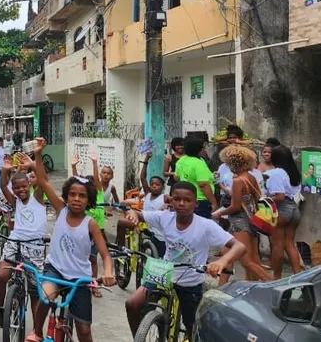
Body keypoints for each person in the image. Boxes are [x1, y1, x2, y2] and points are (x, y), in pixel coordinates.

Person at [124, 182, 245, 340]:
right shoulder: (164, 217)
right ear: (171, 201)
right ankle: (139, 337)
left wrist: (221, 262)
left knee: (192, 325)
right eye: (177, 199)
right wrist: (133, 214)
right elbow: (137, 213)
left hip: (190, 281)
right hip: (163, 273)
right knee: (132, 304)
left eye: (187, 200)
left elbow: (239, 246)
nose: (182, 203)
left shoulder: (205, 226)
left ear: (195, 204)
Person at [30, 138, 114, 342]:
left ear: (89, 200)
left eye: (82, 196)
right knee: (45, 296)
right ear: (66, 197)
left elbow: (105, 253)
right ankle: (37, 332)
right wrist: (38, 154)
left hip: (80, 277)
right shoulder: (60, 209)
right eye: (73, 195)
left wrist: (108, 271)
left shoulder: (90, 223)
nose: (77, 199)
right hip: (55, 269)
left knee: (84, 330)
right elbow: (43, 181)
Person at [0, 155, 47, 329]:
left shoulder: (37, 198)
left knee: (35, 291)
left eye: (24, 186)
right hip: (14, 243)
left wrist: (34, 164)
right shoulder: (15, 202)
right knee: (1, 276)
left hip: (35, 247)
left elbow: (43, 179)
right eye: (17, 188)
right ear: (14, 190)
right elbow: (2, 185)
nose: (21, 190)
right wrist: (5, 169)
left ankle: (36, 329)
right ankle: (1, 309)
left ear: (30, 185)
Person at [211, 146, 272, 283]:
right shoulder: (251, 177)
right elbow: (257, 199)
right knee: (229, 256)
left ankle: (272, 284)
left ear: (233, 163)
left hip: (240, 223)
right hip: (252, 221)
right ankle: (222, 289)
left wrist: (220, 213)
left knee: (246, 260)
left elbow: (235, 206)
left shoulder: (238, 181)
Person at [116, 152, 169, 255]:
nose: (154, 186)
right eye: (152, 184)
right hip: (142, 223)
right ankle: (121, 249)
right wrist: (146, 160)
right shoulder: (148, 193)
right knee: (121, 222)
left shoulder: (165, 197)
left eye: (157, 185)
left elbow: (175, 201)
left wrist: (168, 205)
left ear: (162, 187)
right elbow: (142, 178)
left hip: (156, 226)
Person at [267, 144, 304, 279]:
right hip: (294, 209)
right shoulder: (294, 172)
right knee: (290, 244)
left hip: (281, 210)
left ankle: (276, 278)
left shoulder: (275, 173)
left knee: (277, 246)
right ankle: (298, 276)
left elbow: (280, 196)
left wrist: (265, 198)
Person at [75, 153, 107, 299]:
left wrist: (95, 163)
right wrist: (73, 167)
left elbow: (97, 179)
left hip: (97, 233)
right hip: (82, 233)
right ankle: (78, 282)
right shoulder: (82, 200)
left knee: (93, 259)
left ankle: (93, 285)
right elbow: (74, 182)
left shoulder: (99, 195)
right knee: (80, 259)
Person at [174, 136, 217, 218]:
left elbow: (176, 178)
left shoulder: (182, 160)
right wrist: (213, 202)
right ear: (198, 149)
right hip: (200, 200)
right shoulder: (198, 163)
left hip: (187, 198)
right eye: (203, 147)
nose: (205, 149)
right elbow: (203, 184)